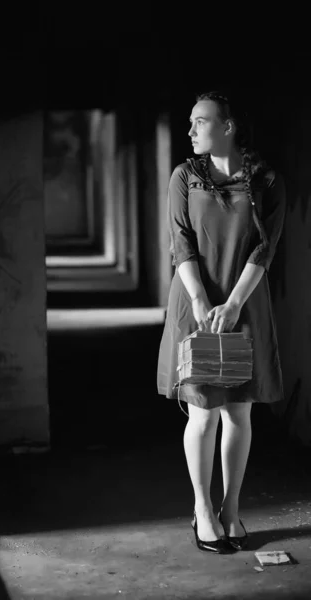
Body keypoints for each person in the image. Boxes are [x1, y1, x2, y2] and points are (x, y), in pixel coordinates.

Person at [157, 91, 286, 553]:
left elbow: (264, 248)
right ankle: (203, 510)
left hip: (244, 302)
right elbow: (181, 242)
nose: (190, 130)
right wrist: (199, 298)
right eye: (191, 122)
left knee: (238, 409)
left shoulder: (266, 180)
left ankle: (231, 509)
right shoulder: (184, 176)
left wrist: (232, 304)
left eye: (200, 121)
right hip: (194, 299)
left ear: (227, 126)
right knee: (202, 410)